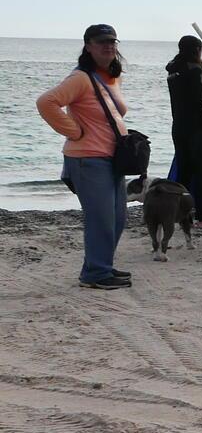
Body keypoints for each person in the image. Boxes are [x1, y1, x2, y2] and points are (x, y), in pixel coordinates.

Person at [35, 24, 135, 289]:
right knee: (100, 218)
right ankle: (96, 274)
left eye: (113, 41)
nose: (109, 46)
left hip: (112, 158)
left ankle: (99, 266)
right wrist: (74, 131)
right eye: (102, 42)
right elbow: (46, 102)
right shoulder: (80, 78)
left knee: (117, 218)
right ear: (88, 46)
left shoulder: (111, 77)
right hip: (87, 159)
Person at [166, 36, 202, 226]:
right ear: (197, 49)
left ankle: (180, 214)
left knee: (184, 172)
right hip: (196, 126)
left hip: (178, 125)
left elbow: (183, 97)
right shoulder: (194, 69)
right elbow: (197, 99)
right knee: (201, 172)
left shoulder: (173, 69)